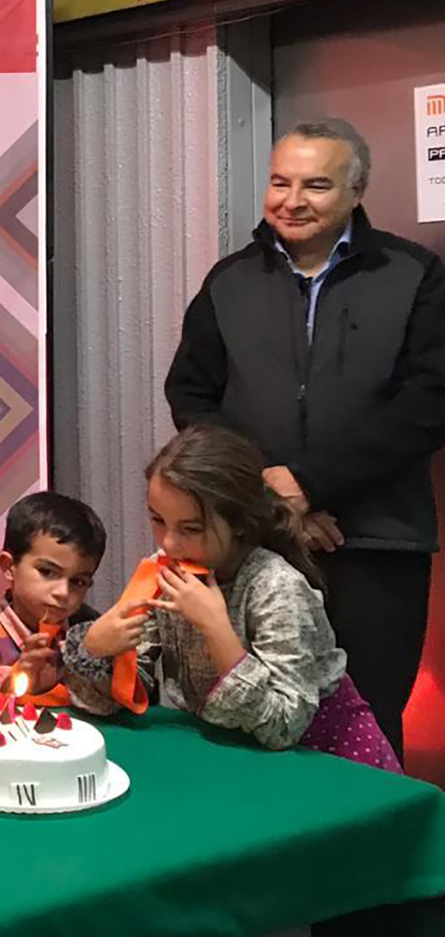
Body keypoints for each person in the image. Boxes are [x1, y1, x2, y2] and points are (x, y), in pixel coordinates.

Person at [165, 119, 445, 760]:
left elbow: (430, 402)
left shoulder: (414, 274)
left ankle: (372, 830)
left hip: (377, 542)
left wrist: (312, 484)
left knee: (367, 723)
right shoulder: (229, 280)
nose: (291, 201)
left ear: (356, 191)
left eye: (316, 185)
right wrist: (273, 492)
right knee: (252, 718)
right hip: (257, 542)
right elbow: (192, 397)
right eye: (279, 182)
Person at [62, 424, 399, 771]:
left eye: (191, 528)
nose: (169, 544)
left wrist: (216, 629)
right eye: (158, 520)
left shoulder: (276, 587)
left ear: (239, 523)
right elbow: (126, 696)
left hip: (328, 761)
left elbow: (284, 727)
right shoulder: (162, 574)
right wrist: (95, 650)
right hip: (238, 758)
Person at [0, 491, 105, 698]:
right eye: (47, 572)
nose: (63, 592)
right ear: (9, 566)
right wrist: (16, 683)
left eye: (78, 582)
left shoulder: (90, 629)